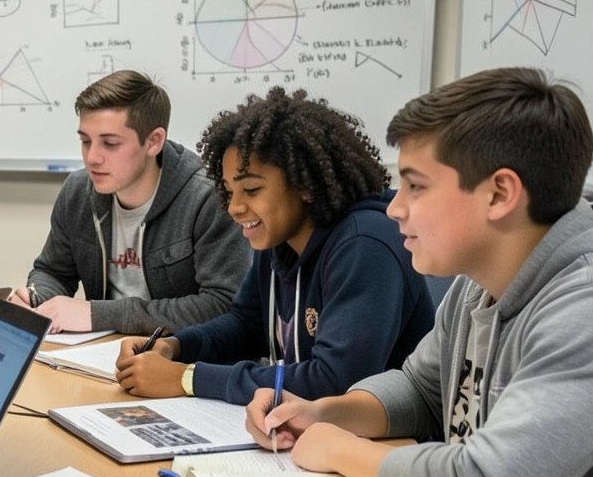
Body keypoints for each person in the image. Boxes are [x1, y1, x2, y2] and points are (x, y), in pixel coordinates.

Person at [249, 68, 593, 477]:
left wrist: (341, 450)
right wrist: (328, 412)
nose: (394, 209)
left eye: (416, 186)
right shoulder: (480, 281)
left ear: (500, 194)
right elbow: (422, 390)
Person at [115, 87, 433, 405]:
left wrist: (187, 378)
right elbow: (247, 324)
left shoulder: (364, 244)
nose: (234, 208)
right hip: (307, 432)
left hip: (384, 445)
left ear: (305, 185)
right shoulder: (279, 237)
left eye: (251, 190)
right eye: (229, 191)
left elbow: (336, 381)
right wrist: (176, 347)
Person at [5, 70, 248, 334]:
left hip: (180, 360)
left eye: (110, 143)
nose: (92, 158)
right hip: (100, 355)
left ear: (153, 142)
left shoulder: (206, 199)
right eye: (85, 141)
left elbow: (223, 305)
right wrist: (37, 297)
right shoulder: (77, 192)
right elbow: (53, 271)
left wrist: (100, 315)